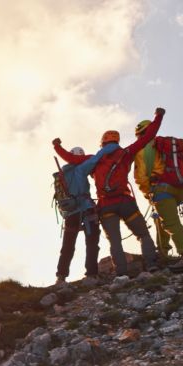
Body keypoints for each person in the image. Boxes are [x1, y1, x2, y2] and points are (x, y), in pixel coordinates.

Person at [53, 107, 165, 277]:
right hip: (126, 202)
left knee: (115, 241)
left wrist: (57, 146)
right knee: (143, 234)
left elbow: (71, 159)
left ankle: (121, 274)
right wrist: (158, 117)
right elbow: (148, 137)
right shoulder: (126, 153)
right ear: (117, 141)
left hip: (106, 206)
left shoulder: (94, 159)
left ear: (103, 142)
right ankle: (151, 265)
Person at [133, 119, 183, 270]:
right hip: (179, 190)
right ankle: (163, 251)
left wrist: (147, 193)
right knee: (161, 219)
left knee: (170, 223)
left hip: (161, 190)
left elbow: (141, 177)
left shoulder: (142, 150)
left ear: (140, 133)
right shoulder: (164, 145)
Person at [54, 146, 111, 285]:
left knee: (68, 245)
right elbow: (95, 159)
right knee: (92, 242)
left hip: (70, 213)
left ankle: (61, 276)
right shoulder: (81, 168)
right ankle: (91, 274)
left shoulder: (62, 173)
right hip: (86, 209)